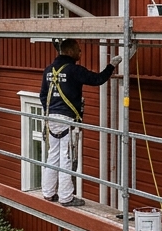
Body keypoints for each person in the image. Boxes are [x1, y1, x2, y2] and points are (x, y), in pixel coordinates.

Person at [39, 39, 119, 206]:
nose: (81, 53)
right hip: (67, 119)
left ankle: (48, 193)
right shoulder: (74, 70)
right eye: (78, 50)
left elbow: (42, 95)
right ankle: (66, 197)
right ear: (70, 51)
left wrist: (53, 108)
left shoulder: (48, 70)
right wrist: (111, 66)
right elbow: (97, 79)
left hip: (50, 119)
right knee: (66, 157)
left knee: (52, 156)